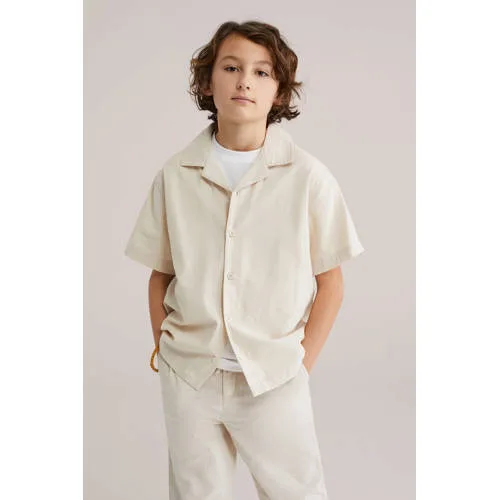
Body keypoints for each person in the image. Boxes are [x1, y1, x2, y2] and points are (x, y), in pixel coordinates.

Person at [124, 19, 365, 500]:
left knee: (297, 492)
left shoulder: (308, 177)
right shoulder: (175, 175)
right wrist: (169, 357)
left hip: (273, 377)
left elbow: (331, 283)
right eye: (231, 68)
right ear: (207, 81)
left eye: (261, 72)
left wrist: (300, 365)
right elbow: (160, 275)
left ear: (279, 92)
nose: (244, 82)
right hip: (191, 376)